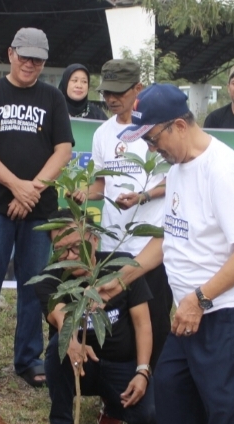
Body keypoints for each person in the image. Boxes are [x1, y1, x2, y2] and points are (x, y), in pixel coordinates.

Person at [100, 84, 234, 424]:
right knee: (175, 394)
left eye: (153, 138)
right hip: (190, 309)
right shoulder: (178, 170)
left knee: (226, 408)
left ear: (179, 125)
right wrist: (122, 278)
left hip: (231, 310)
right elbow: (169, 237)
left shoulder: (222, 169)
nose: (151, 148)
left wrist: (199, 299)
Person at [0, 27, 74, 388]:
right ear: (10, 54)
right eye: (24, 57)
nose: (30, 64)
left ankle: (29, 358)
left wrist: (32, 191)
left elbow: (63, 149)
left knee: (33, 286)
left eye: (37, 59)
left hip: (38, 210)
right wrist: (15, 187)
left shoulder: (53, 98)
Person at [36, 211, 157, 424]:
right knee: (58, 346)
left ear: (93, 239)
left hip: (120, 363)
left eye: (75, 247)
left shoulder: (122, 267)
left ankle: (112, 406)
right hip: (80, 365)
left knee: (150, 419)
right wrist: (71, 340)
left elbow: (143, 324)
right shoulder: (50, 277)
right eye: (61, 250)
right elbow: (59, 314)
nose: (70, 256)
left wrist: (142, 371)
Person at [79, 58, 172, 368]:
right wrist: (83, 193)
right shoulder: (102, 133)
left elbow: (174, 181)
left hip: (150, 245)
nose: (111, 99)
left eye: (118, 92)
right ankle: (117, 388)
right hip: (113, 245)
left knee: (154, 319)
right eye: (106, 93)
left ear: (138, 89)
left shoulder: (156, 130)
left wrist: (143, 196)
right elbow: (100, 185)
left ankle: (151, 385)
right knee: (116, 322)